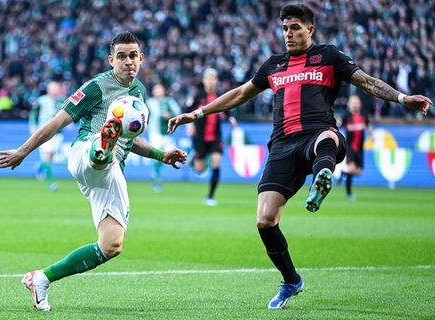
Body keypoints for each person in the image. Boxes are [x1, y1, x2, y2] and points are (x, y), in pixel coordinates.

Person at [168, 3, 432, 310]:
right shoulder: (273, 66)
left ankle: (324, 175)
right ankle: (291, 280)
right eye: (284, 28)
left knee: (328, 137)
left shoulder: (329, 57)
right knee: (265, 220)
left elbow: (368, 82)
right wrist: (196, 113)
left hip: (315, 133)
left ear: (310, 29)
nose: (289, 34)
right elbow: (240, 94)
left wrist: (403, 98)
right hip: (281, 145)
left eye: (295, 28)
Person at [0, 31, 187, 312]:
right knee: (101, 151)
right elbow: (57, 122)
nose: (128, 61)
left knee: (111, 246)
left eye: (133, 56)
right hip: (84, 152)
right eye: (122, 56)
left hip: (110, 175)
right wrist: (23, 151)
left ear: (142, 59)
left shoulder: (139, 93)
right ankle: (102, 146)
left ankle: (41, 279)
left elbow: (129, 140)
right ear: (111, 60)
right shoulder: (97, 87)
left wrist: (160, 154)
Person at [186, 68, 236, 206]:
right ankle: (194, 159)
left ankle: (210, 196)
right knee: (200, 169)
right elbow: (186, 110)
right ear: (204, 80)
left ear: (216, 81)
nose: (210, 80)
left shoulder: (220, 96)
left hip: (215, 137)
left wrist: (231, 118)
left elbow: (228, 109)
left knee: (216, 163)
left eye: (213, 78)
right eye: (208, 78)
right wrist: (189, 125)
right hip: (200, 137)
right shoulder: (198, 96)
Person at [28, 80, 67, 191]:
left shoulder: (62, 100)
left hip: (58, 133)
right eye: (52, 88)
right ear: (48, 89)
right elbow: (33, 112)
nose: (54, 90)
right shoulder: (41, 100)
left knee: (50, 158)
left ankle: (40, 168)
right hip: (44, 131)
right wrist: (32, 125)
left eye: (56, 88)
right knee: (48, 155)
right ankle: (51, 184)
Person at [146, 82, 182, 192]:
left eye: (160, 89)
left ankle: (155, 174)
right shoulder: (149, 103)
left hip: (167, 133)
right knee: (159, 154)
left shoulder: (169, 101)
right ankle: (157, 177)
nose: (158, 91)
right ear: (153, 91)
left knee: (167, 156)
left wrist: (170, 116)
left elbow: (178, 113)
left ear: (163, 91)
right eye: (156, 89)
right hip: (155, 133)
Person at [337, 94, 373, 200]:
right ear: (349, 104)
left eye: (356, 103)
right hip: (350, 147)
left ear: (360, 104)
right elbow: (336, 126)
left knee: (358, 171)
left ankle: (343, 173)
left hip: (360, 148)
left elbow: (369, 127)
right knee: (352, 168)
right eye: (353, 103)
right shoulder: (346, 116)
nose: (355, 105)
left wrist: (372, 136)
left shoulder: (364, 115)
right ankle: (348, 193)